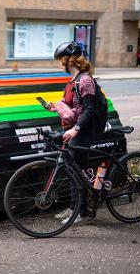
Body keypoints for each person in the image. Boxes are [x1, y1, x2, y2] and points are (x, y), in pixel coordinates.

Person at [49, 41, 97, 224]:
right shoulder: (72, 81)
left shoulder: (85, 81)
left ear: (69, 60)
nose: (59, 64)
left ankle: (82, 213)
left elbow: (89, 110)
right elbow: (72, 105)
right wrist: (56, 108)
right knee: (72, 171)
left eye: (60, 60)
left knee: (79, 173)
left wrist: (75, 130)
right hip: (72, 130)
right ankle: (73, 208)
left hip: (82, 131)